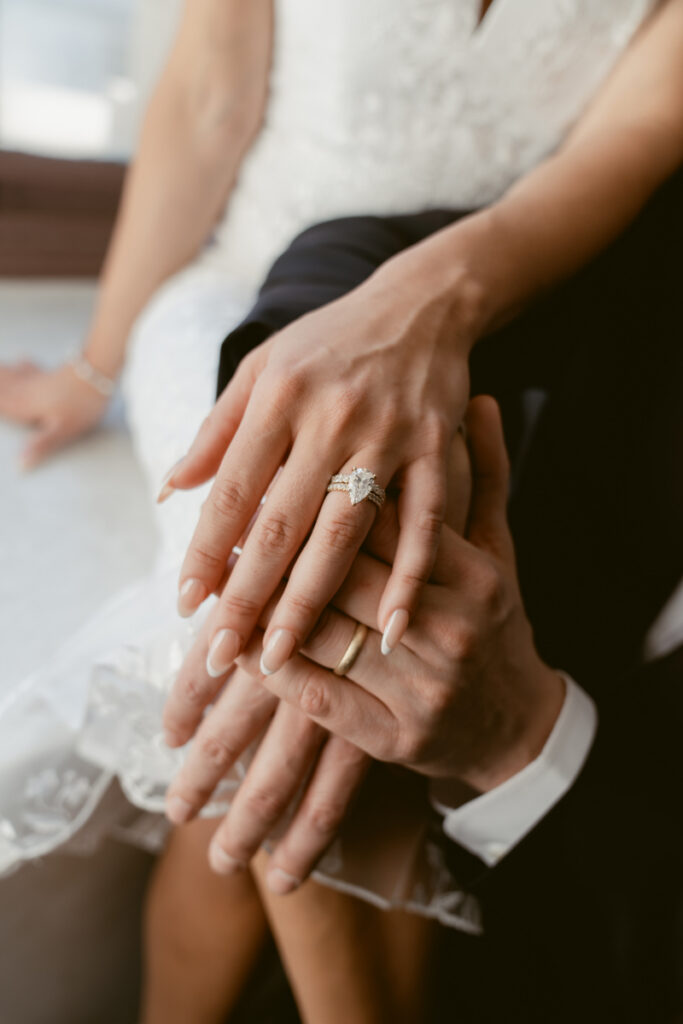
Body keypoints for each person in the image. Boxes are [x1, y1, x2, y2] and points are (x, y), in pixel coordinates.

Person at [1, 0, 683, 1020]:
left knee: (338, 653)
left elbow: (616, 159)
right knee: (305, 643)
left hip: (469, 347)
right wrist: (96, 367)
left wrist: (416, 332)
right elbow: (205, 102)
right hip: (242, 308)